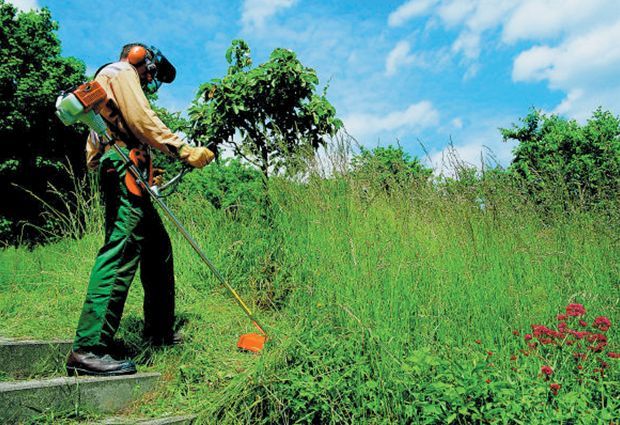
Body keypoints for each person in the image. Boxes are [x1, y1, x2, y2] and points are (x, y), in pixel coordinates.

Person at [66, 43, 214, 376]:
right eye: (151, 70)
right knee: (121, 251)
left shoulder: (105, 81)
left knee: (158, 249)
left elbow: (95, 147)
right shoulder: (121, 72)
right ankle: (88, 348)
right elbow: (142, 120)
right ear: (139, 58)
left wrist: (140, 165)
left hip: (126, 167)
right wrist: (182, 149)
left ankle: (159, 332)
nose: (150, 77)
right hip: (123, 170)